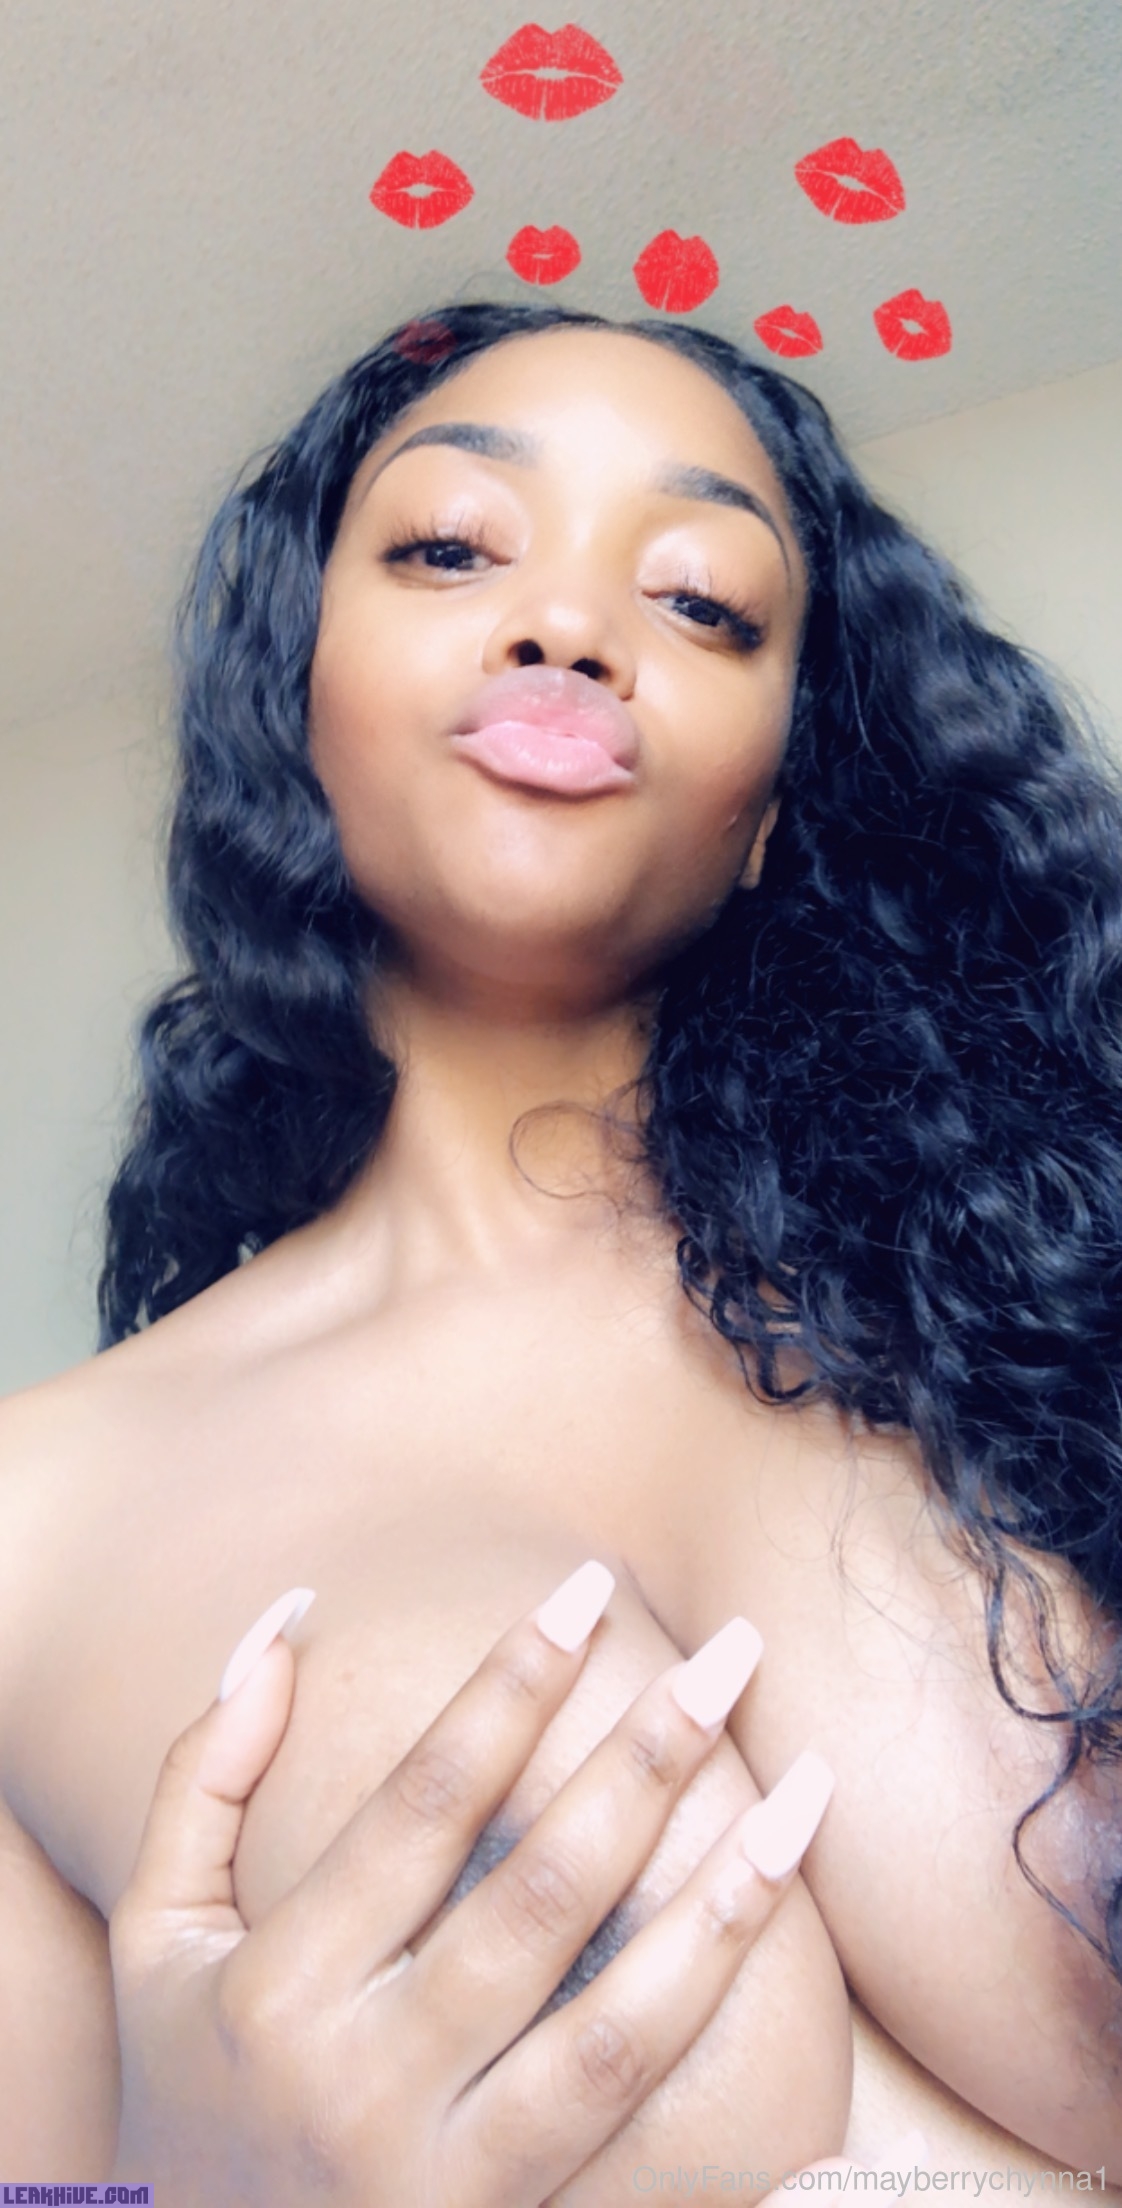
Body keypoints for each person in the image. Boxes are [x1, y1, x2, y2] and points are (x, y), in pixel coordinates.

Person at [0, 298, 1119, 2196]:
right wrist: (171, 2188)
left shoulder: (1058, 1290)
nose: (572, 625)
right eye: (452, 548)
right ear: (292, 695)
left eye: (701, 602)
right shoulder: (26, 1528)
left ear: (769, 807)